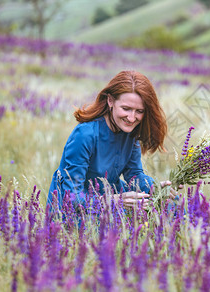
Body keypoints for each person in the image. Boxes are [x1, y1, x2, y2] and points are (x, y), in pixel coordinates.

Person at [47, 70, 179, 213]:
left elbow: (134, 176)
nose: (131, 118)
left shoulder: (130, 134)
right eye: (126, 109)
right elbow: (72, 198)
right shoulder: (85, 135)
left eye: (139, 111)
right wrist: (114, 201)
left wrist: (155, 188)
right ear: (110, 101)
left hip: (109, 207)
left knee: (173, 208)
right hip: (71, 214)